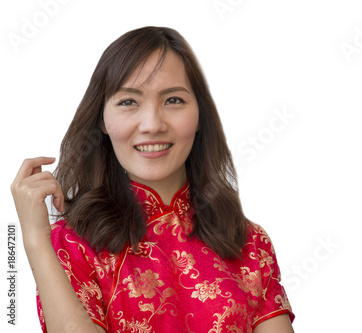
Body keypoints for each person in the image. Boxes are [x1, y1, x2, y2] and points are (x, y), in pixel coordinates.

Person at [11, 26, 294, 332]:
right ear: (102, 121)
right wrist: (35, 241)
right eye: (128, 102)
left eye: (173, 100)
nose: (152, 124)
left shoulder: (249, 242)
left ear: (200, 116)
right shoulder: (72, 242)